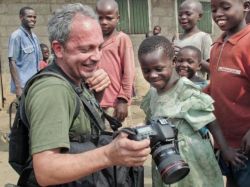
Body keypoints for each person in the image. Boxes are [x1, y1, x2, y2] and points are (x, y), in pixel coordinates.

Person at [23, 3, 150, 186]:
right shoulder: (52, 91)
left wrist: (96, 95)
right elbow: (46, 170)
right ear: (58, 49)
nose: (97, 56)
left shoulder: (75, 79)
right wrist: (109, 154)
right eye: (85, 49)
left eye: (99, 47)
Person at [138, 36, 243, 187]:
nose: (153, 75)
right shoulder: (153, 93)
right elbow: (151, 120)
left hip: (192, 158)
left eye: (159, 69)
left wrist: (225, 150)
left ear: (173, 62)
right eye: (146, 70)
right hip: (166, 159)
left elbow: (211, 121)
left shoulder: (185, 90)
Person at [206, 0, 250, 187]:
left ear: (246, 6)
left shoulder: (248, 43)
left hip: (246, 142)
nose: (218, 14)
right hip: (223, 140)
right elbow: (216, 85)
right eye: (214, 9)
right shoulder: (217, 45)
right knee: (231, 179)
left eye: (225, 7)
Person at [96, 0, 135, 124]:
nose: (104, 22)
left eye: (109, 18)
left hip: (114, 105)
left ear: (118, 18)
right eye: (99, 18)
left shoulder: (122, 39)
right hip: (94, 102)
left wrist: (123, 99)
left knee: (118, 138)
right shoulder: (93, 40)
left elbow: (129, 72)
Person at [8, 6, 42, 98]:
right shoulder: (16, 36)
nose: (33, 19)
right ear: (21, 17)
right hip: (23, 87)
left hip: (35, 84)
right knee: (24, 112)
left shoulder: (35, 37)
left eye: (34, 17)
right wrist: (18, 87)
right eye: (29, 16)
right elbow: (12, 62)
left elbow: (39, 62)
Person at [173, 0, 212, 76]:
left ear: (199, 16)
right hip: (178, 84)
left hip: (194, 86)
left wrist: (187, 55)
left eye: (188, 14)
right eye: (180, 14)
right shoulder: (176, 38)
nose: (183, 17)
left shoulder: (203, 38)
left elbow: (211, 69)